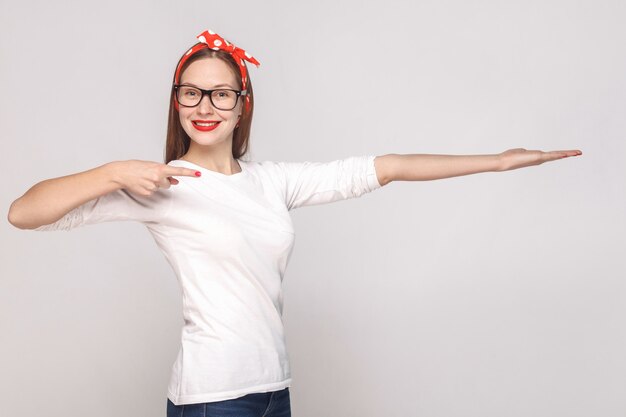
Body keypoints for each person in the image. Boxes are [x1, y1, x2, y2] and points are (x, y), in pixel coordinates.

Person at [6, 28, 582, 417]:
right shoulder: (161, 184)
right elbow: (24, 213)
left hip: (273, 389)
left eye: (221, 94)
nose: (205, 105)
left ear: (242, 105)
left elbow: (389, 167)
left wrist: (500, 161)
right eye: (192, 92)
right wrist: (112, 171)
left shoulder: (271, 182)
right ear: (177, 102)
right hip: (213, 397)